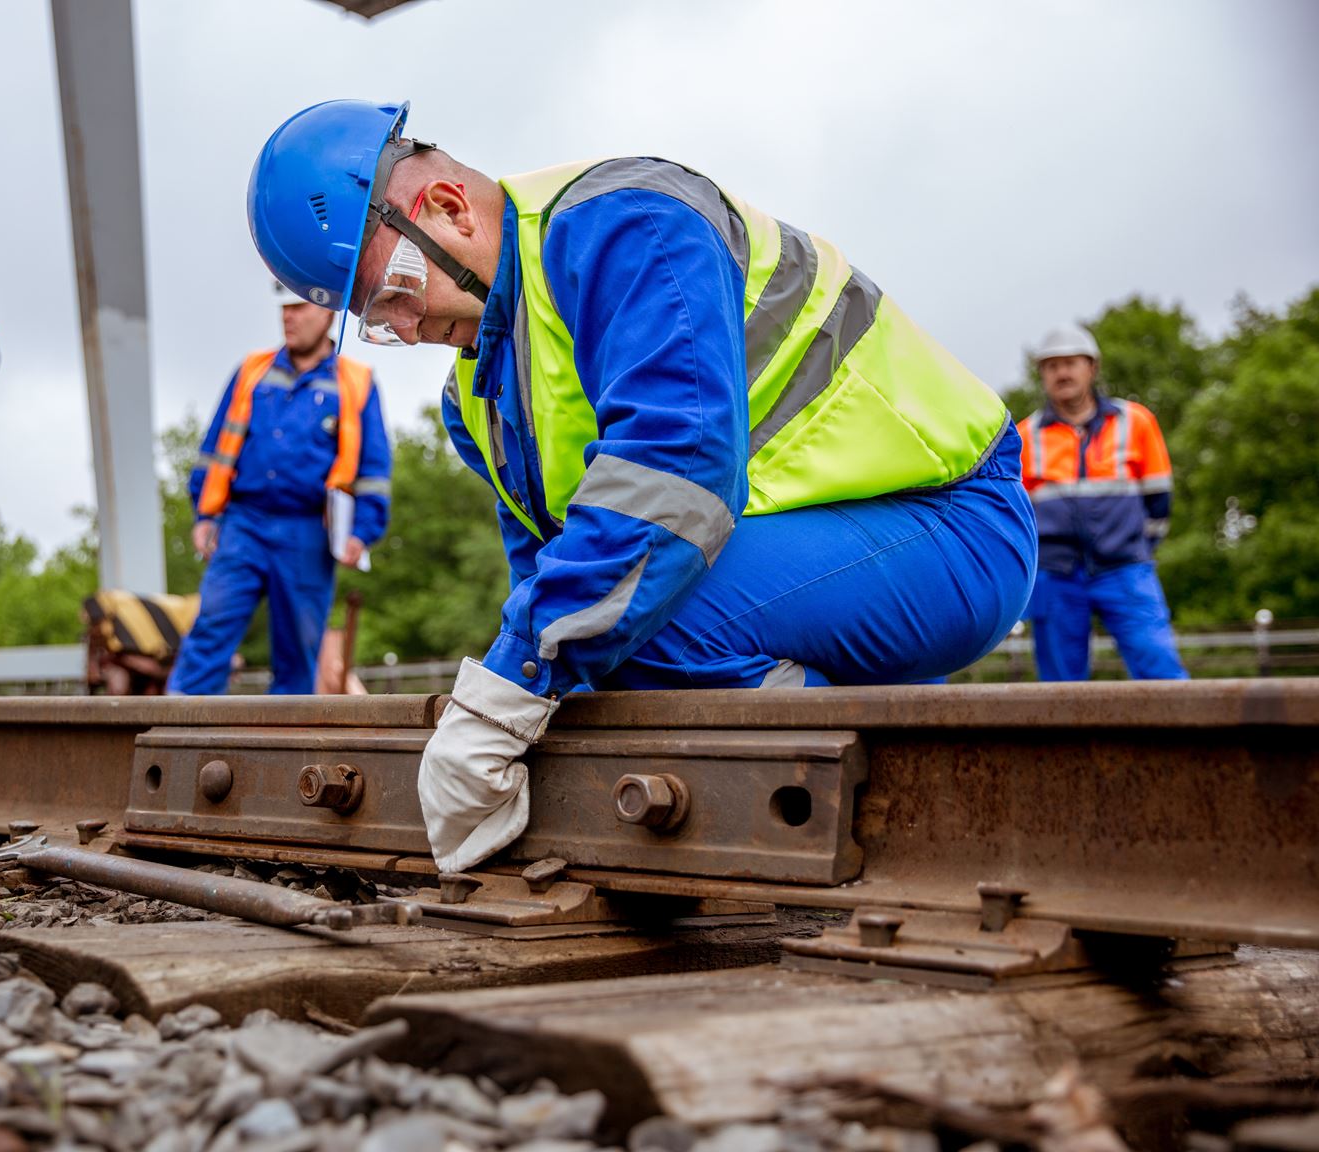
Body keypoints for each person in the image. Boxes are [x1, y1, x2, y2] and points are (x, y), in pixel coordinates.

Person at [247, 100, 1038, 873]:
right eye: (380, 322)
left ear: (449, 208)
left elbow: (675, 468)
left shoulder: (627, 223)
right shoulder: (477, 396)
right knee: (590, 632)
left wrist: (503, 700)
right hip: (816, 560)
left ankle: (847, 774)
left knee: (624, 620)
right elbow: (544, 571)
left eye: (396, 294)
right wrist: (526, 687)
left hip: (950, 524)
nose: (409, 330)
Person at [167, 281, 391, 695]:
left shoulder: (355, 382)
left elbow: (374, 468)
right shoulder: (253, 371)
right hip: (243, 525)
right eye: (283, 308)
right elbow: (214, 447)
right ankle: (178, 726)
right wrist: (205, 514)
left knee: (298, 648)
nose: (288, 315)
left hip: (308, 532)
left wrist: (362, 531)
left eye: (298, 308)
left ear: (327, 313)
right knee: (211, 626)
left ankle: (284, 743)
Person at [1018, 325, 1186, 682]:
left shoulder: (1135, 421)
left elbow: (1159, 501)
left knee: (1158, 665)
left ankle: (1183, 739)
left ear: (1091, 368)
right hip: (1055, 576)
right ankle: (1067, 742)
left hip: (1125, 570)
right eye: (1051, 366)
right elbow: (1018, 516)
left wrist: (1134, 547)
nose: (1062, 373)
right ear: (1042, 375)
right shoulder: (1024, 435)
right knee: (1059, 687)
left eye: (1070, 363)